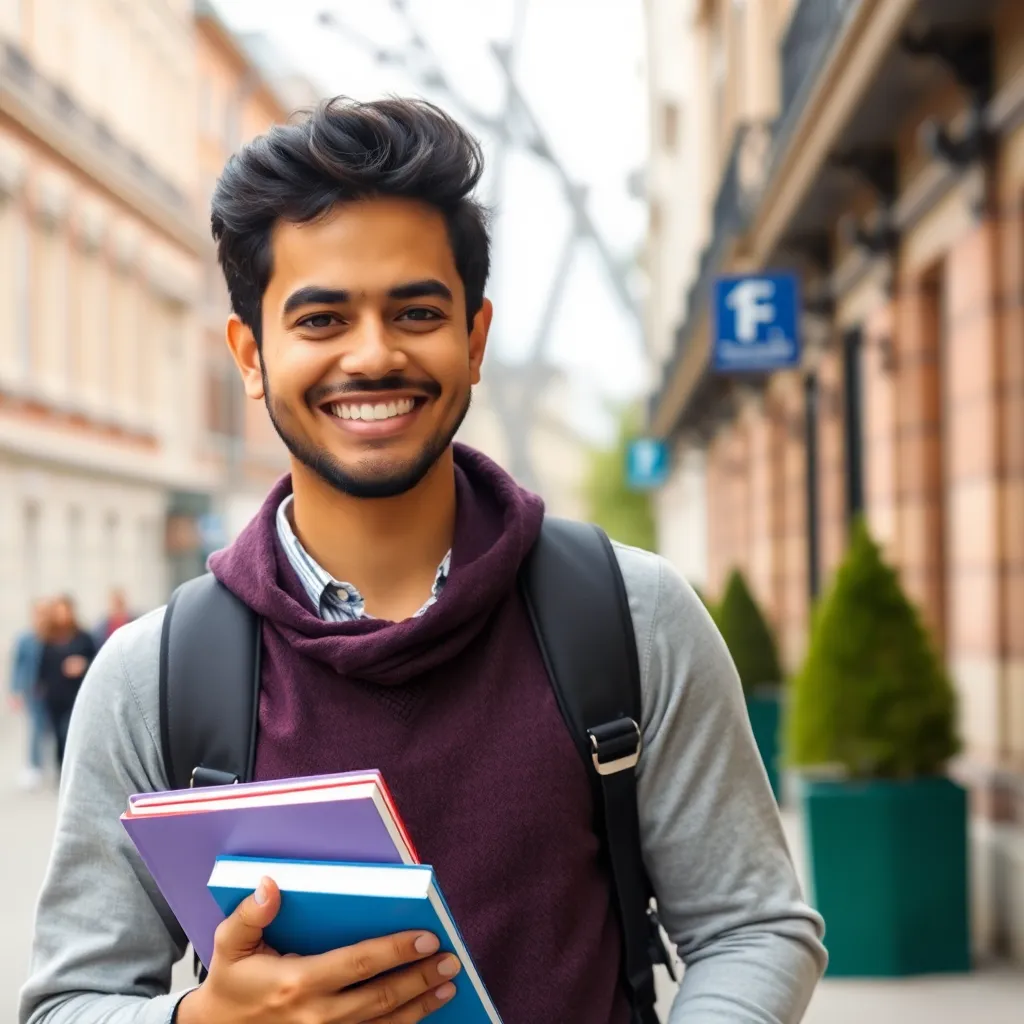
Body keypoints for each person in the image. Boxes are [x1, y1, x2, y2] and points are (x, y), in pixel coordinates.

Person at [20, 98, 827, 1024]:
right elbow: (68, 1001)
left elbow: (754, 928)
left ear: (475, 340)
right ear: (250, 353)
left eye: (415, 310)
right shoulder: (151, 675)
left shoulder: (630, 616)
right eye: (321, 320)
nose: (373, 355)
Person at [34, 595, 97, 773]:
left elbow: (97, 661)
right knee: (58, 736)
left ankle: (73, 769)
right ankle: (61, 768)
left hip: (76, 695)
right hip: (54, 697)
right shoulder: (48, 639)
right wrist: (39, 687)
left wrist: (83, 664)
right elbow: (42, 666)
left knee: (68, 732)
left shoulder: (83, 638)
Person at [8, 599, 50, 790]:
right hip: (31, 690)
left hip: (51, 691)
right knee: (35, 728)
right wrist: (14, 691)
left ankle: (51, 763)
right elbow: (17, 666)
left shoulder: (50, 636)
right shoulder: (25, 638)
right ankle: (34, 766)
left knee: (52, 729)